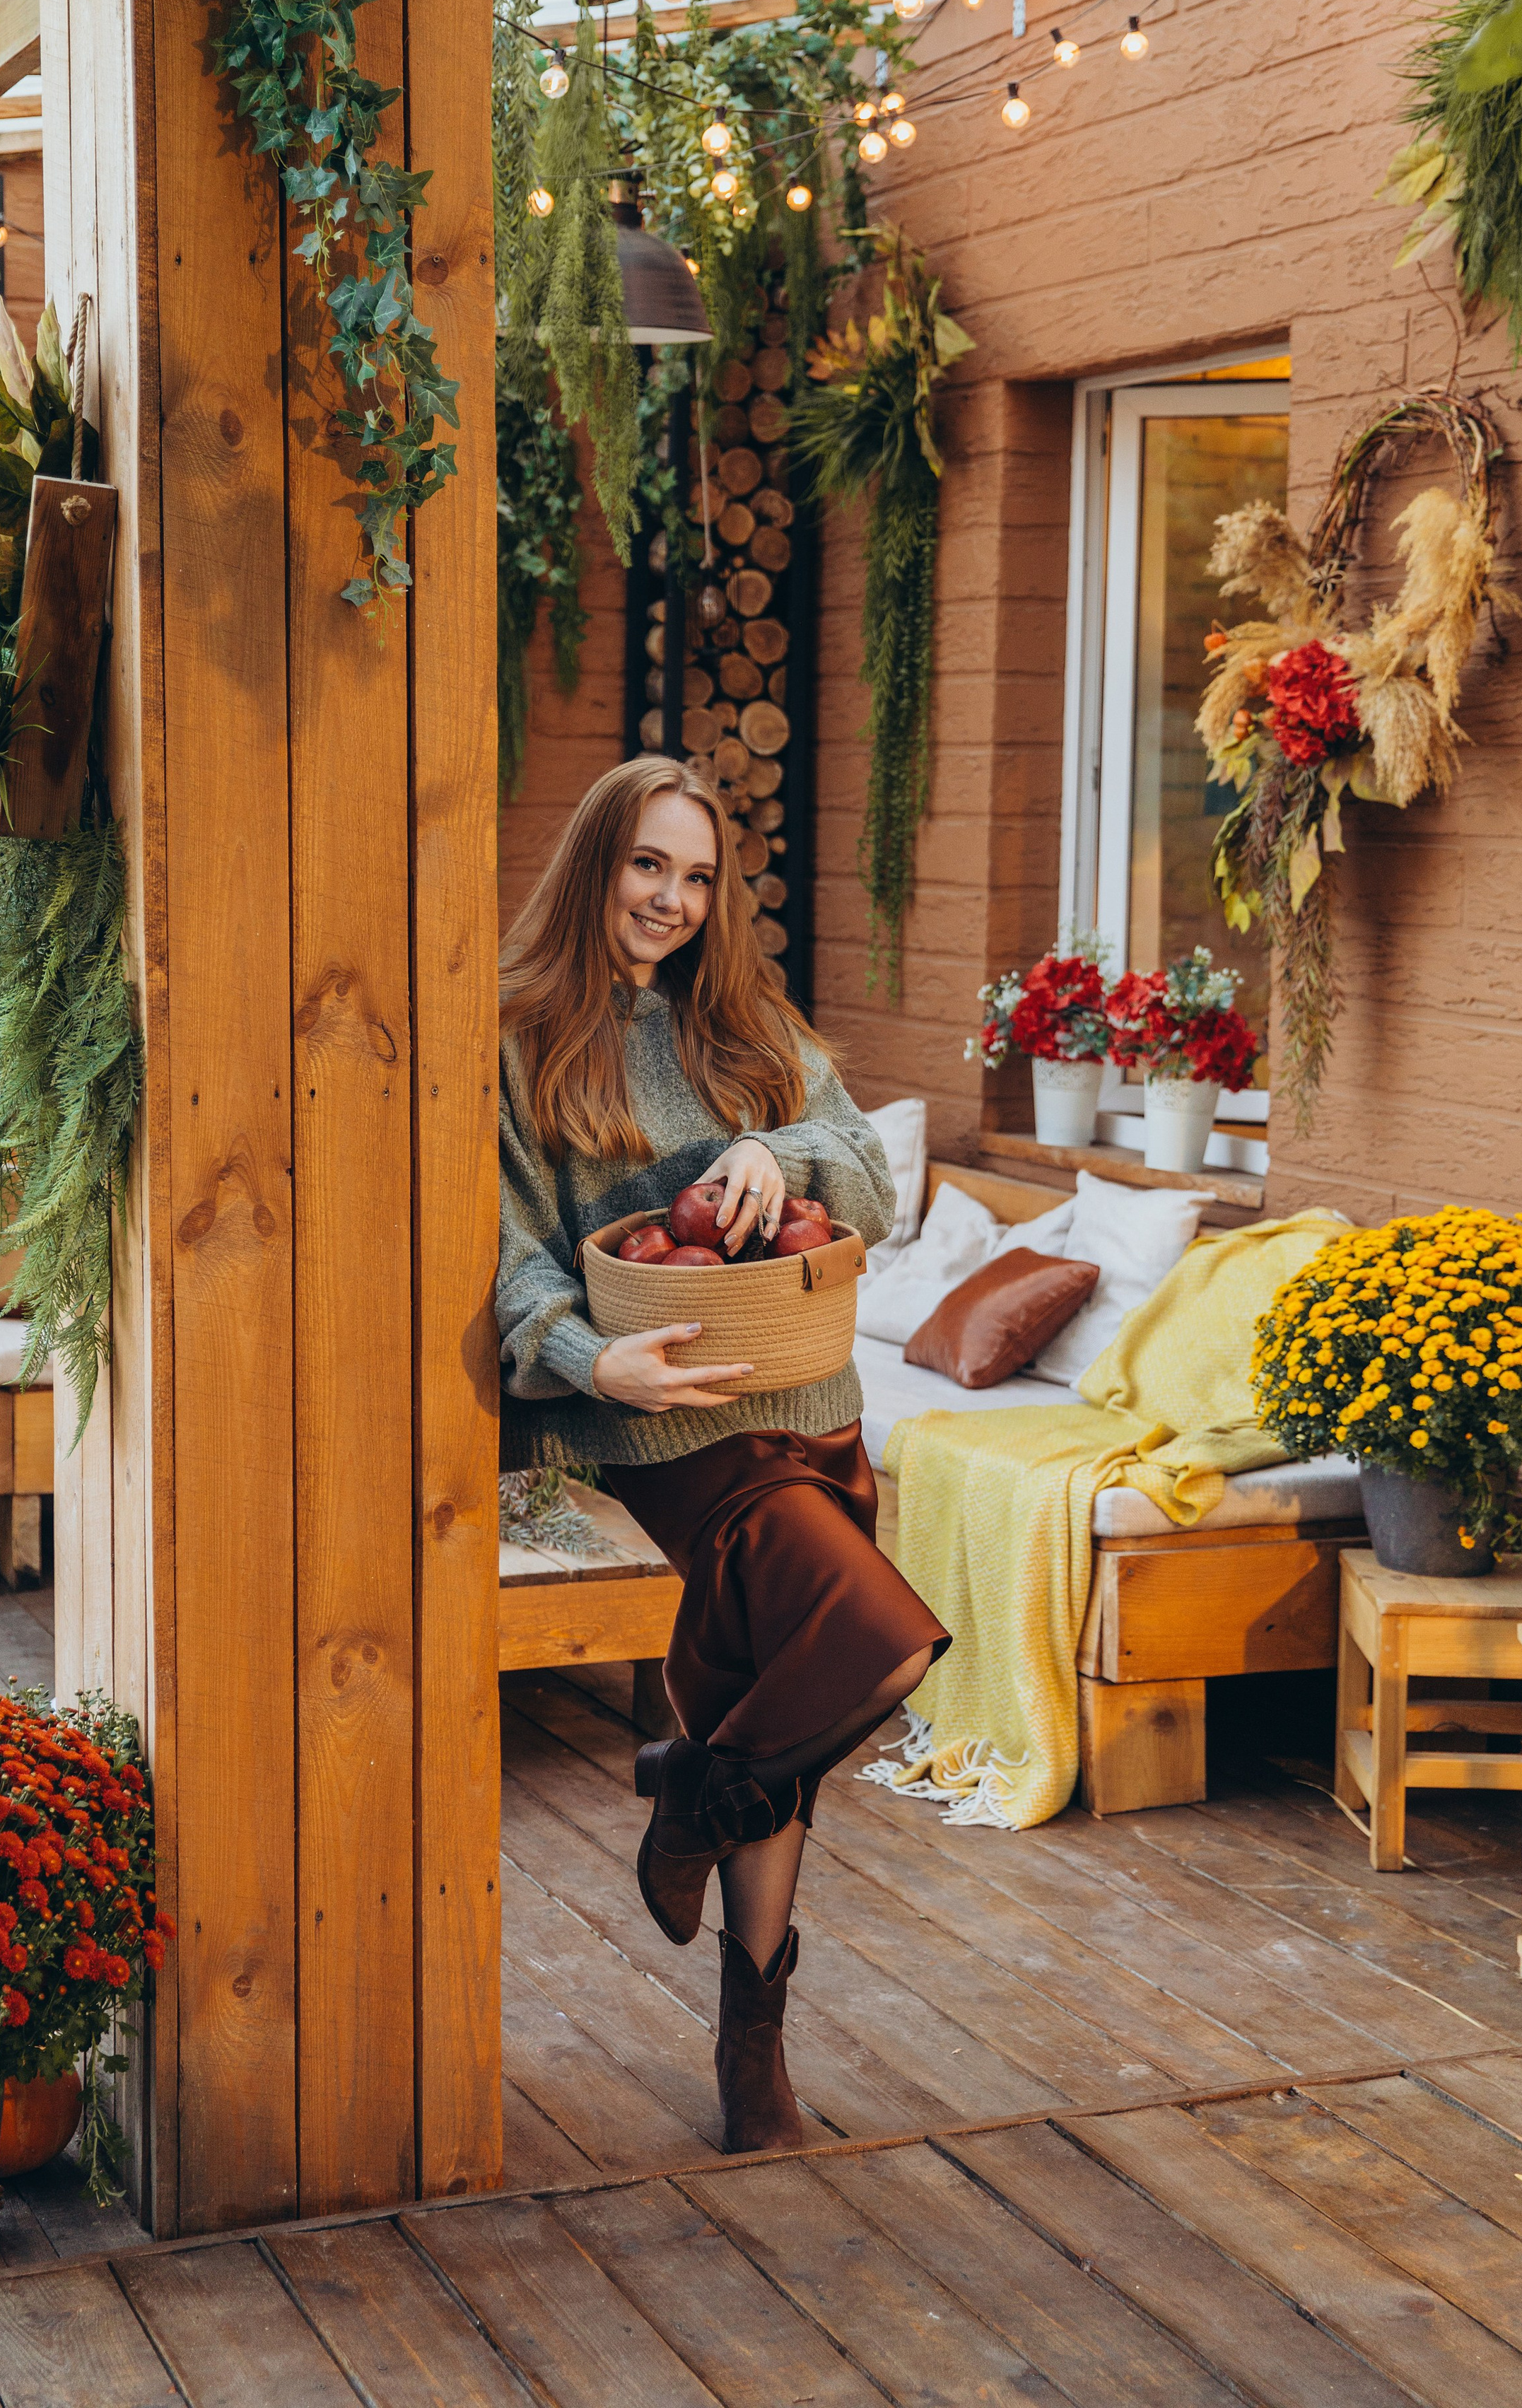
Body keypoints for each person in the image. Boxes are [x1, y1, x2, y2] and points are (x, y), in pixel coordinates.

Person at [496, 755, 948, 2153]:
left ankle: (750, 2049)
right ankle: (693, 1792)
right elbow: (502, 1256)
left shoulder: (745, 1025)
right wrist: (587, 1358)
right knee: (884, 1646)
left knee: (782, 1730)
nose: (672, 902)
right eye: (647, 867)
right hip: (669, 1437)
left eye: (696, 878)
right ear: (594, 864)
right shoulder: (516, 1040)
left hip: (812, 1418)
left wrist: (789, 1161)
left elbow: (863, 1167)